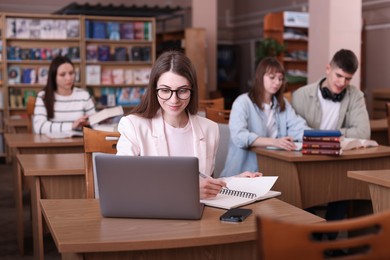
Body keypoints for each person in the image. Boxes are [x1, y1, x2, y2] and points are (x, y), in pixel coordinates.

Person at [116, 50, 260, 199]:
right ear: (154, 90)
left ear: (192, 90)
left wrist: (236, 182)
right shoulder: (133, 125)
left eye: (182, 91)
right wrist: (187, 191)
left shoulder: (210, 129)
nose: (174, 100)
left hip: (197, 217)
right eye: (165, 90)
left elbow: (205, 185)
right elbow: (122, 184)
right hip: (152, 216)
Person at [291, 49, 370, 241]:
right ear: (328, 69)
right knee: (303, 190)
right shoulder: (301, 95)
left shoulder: (356, 96)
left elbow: (363, 132)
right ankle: (312, 238)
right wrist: (342, 133)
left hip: (338, 160)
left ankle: (330, 239)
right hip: (306, 161)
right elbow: (294, 133)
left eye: (348, 79)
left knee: (345, 187)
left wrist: (329, 136)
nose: (342, 83)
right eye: (339, 75)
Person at [220, 57, 309, 178]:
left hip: (273, 167)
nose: (277, 82)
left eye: (280, 79)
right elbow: (239, 137)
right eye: (272, 77)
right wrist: (275, 142)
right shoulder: (242, 102)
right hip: (243, 173)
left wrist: (325, 139)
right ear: (259, 76)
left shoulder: (282, 103)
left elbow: (298, 127)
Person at [33, 55, 96, 134]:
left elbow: (95, 123)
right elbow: (39, 127)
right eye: (62, 74)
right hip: (51, 144)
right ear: (53, 77)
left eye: (71, 73)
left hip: (79, 143)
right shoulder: (43, 96)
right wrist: (72, 126)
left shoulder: (84, 95)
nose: (69, 78)